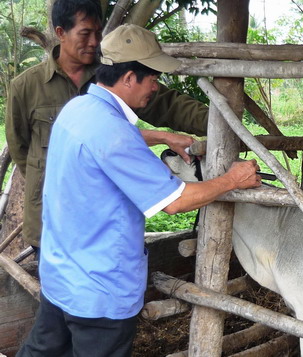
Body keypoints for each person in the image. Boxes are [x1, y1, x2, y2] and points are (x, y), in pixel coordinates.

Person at [16, 24, 262, 357]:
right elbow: (176, 201)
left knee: (42, 351)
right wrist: (233, 179)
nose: (155, 87)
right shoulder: (113, 132)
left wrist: (162, 136)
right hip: (99, 294)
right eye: (152, 79)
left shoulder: (79, 109)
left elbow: (106, 138)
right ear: (129, 78)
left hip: (61, 279)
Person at [5, 0, 208, 252]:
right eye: (85, 33)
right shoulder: (26, 86)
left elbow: (167, 105)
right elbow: (20, 149)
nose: (94, 41)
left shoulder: (111, 73)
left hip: (101, 221)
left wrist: (217, 122)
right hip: (50, 215)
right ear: (60, 33)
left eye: (98, 32)